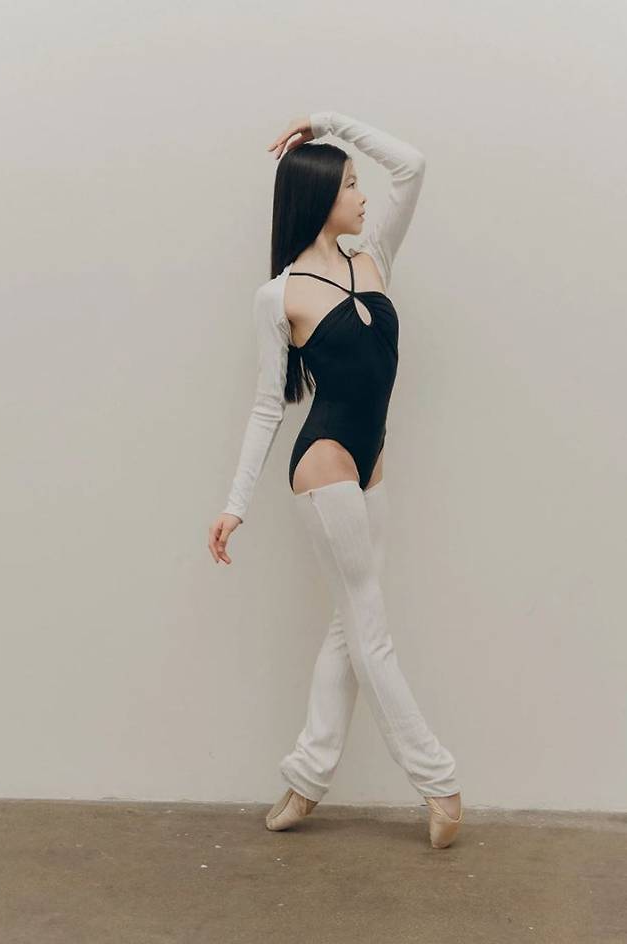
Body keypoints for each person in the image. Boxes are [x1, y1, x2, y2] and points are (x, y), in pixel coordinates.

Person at [207, 111, 463, 849]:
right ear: (320, 197)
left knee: (348, 628)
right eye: (350, 184)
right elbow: (268, 405)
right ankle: (439, 782)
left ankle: (306, 779)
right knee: (370, 632)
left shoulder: (373, 255)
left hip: (371, 457)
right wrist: (234, 505)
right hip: (323, 463)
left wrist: (331, 123)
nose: (362, 194)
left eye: (357, 182)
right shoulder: (279, 295)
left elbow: (413, 164)